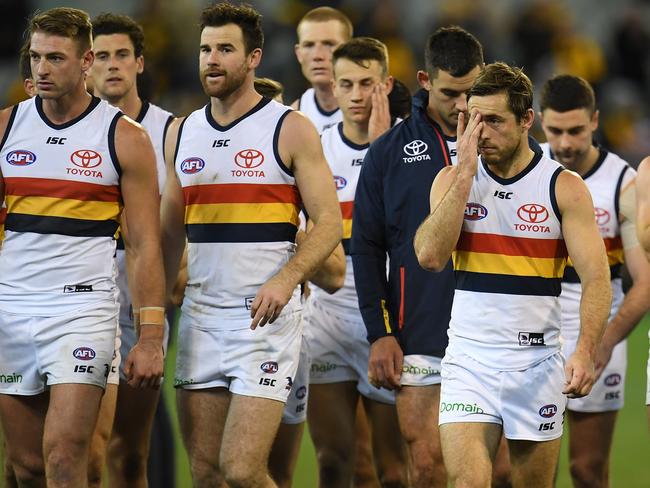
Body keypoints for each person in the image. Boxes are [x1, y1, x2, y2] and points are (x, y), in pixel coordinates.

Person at [160, 4, 342, 488]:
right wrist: (152, 307)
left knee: (241, 471)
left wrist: (286, 278)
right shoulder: (181, 132)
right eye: (204, 49)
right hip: (200, 316)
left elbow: (328, 224)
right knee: (204, 473)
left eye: (224, 49)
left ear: (254, 57)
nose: (211, 60)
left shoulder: (289, 128)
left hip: (264, 319)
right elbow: (168, 231)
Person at [413, 62, 611, 488]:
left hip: (536, 364)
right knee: (466, 483)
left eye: (495, 121)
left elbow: (597, 279)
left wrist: (585, 349)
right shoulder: (452, 179)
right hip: (470, 360)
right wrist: (465, 174)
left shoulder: (563, 187)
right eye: (474, 120)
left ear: (526, 120)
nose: (480, 133)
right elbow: (429, 256)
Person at [0, 7, 164, 488]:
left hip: (82, 311)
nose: (41, 70)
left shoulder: (124, 138)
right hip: (11, 306)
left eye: (55, 57)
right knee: (26, 467)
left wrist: (151, 336)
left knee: (66, 457)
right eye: (35, 58)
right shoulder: (7, 128)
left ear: (85, 60)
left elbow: (143, 245)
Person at [351, 26, 483, 488]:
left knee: (498, 474)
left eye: (471, 92)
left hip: (493, 336)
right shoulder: (387, 152)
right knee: (427, 467)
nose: (463, 106)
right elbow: (366, 248)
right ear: (425, 80)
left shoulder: (506, 150)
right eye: (450, 93)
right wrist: (380, 333)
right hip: (419, 333)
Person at [303, 37, 408, 488]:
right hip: (326, 317)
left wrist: (383, 148)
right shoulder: (315, 149)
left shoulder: (413, 147)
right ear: (335, 87)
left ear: (385, 83)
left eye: (368, 83)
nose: (358, 94)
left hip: (389, 320)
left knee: (395, 471)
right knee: (333, 460)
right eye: (347, 84)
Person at [538, 74, 650, 488]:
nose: (565, 143)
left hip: (599, 334)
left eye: (576, 131)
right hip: (532, 334)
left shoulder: (625, 184)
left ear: (595, 121)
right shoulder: (528, 170)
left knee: (587, 471)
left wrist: (600, 343)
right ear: (538, 123)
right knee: (515, 473)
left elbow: (644, 283)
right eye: (554, 131)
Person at [89, 12, 176, 488]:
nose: (113, 65)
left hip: (145, 296)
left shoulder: (170, 133)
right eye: (101, 56)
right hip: (81, 299)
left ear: (140, 63)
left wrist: (180, 266)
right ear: (86, 65)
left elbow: (188, 215)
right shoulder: (76, 129)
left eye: (123, 55)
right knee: (79, 445)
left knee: (129, 446)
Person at [292, 6, 352, 132]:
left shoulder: (375, 110)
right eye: (309, 45)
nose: (318, 55)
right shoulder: (293, 115)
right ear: (298, 54)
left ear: (349, 50)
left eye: (329, 44)